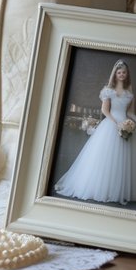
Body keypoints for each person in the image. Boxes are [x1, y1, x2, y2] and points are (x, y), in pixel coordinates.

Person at [55, 59, 136, 205]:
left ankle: (119, 190)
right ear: (115, 74)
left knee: (124, 160)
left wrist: (130, 122)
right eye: (119, 72)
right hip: (111, 124)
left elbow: (130, 112)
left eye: (124, 72)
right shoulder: (108, 90)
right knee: (106, 158)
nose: (122, 74)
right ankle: (102, 189)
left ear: (127, 74)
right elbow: (104, 110)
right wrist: (117, 123)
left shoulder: (129, 91)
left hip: (125, 125)